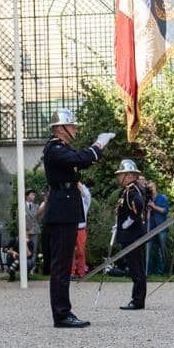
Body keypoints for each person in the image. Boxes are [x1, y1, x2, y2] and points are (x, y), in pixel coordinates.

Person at [40, 108, 110, 328]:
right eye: (72, 127)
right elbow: (81, 158)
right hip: (61, 212)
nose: (76, 130)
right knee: (61, 266)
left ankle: (64, 311)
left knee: (63, 263)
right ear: (61, 129)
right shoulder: (55, 149)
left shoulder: (62, 148)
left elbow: (82, 160)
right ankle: (61, 314)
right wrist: (98, 145)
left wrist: (94, 151)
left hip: (66, 209)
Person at [114, 159, 148, 310]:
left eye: (121, 175)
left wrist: (128, 221)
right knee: (135, 267)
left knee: (136, 268)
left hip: (132, 234)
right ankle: (137, 298)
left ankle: (138, 300)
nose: (118, 178)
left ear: (128, 175)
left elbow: (139, 205)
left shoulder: (132, 190)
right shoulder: (128, 189)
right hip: (130, 234)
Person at [145, 181, 170, 276]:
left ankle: (160, 272)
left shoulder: (162, 197)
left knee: (161, 250)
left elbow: (165, 211)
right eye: (149, 187)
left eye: (151, 187)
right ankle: (148, 271)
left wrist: (154, 206)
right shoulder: (147, 199)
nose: (150, 189)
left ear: (155, 186)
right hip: (150, 227)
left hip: (161, 227)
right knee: (148, 249)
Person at [72, 184, 91, 280]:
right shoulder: (70, 200)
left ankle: (81, 271)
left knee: (81, 251)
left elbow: (87, 195)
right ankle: (71, 272)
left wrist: (79, 184)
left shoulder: (85, 201)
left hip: (81, 228)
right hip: (71, 228)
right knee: (70, 251)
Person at [24, 190, 40, 258]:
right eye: (32, 194)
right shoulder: (22, 206)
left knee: (34, 249)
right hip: (25, 231)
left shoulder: (36, 206)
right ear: (27, 196)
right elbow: (18, 220)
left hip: (34, 231)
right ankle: (26, 266)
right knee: (25, 249)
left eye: (34, 194)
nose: (34, 196)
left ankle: (32, 266)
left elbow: (38, 218)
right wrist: (24, 231)